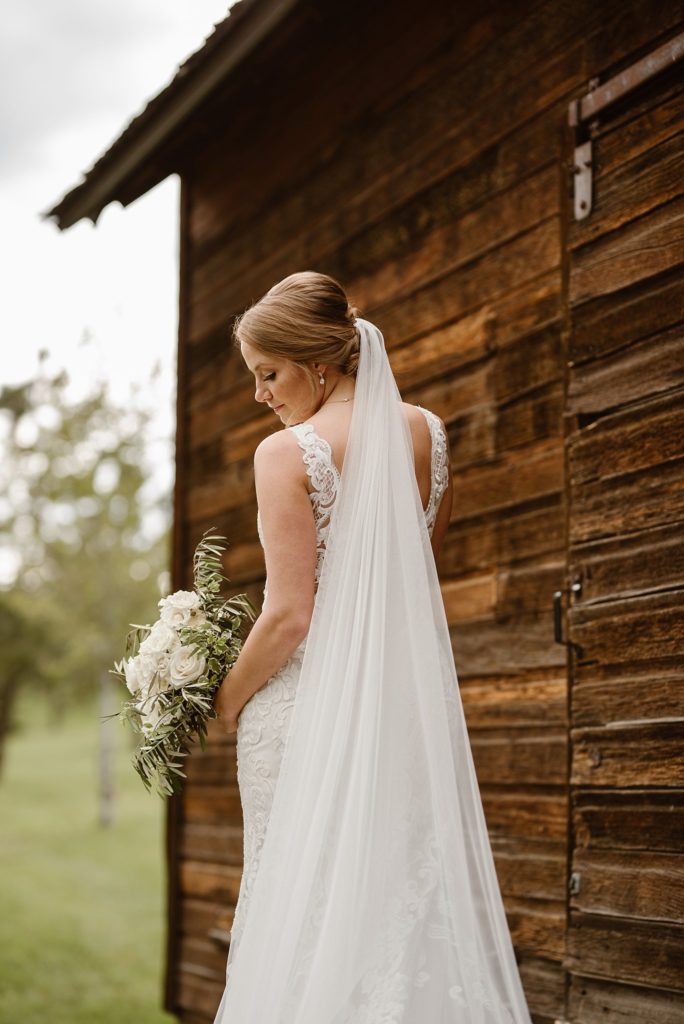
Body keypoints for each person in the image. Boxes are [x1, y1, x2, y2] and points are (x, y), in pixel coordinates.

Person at [212, 271, 532, 1022]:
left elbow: (291, 616)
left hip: (302, 714)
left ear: (318, 362)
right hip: (398, 714)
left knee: (303, 900)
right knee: (392, 900)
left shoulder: (283, 455)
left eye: (269, 374)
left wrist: (223, 699)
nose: (261, 395)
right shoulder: (426, 432)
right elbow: (414, 591)